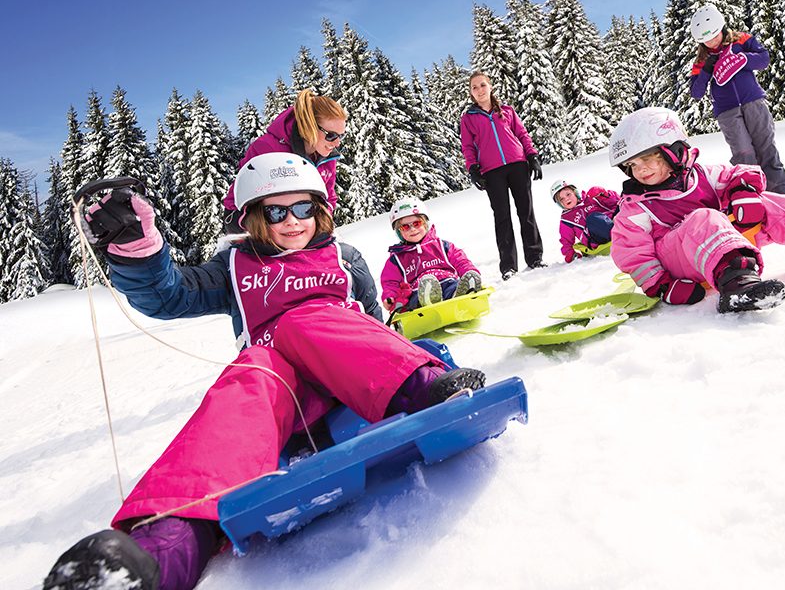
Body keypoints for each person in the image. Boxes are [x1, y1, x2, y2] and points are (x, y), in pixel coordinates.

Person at [44, 153, 486, 590]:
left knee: (302, 320)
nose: (293, 221)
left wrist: (408, 359)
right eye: (277, 211)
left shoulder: (343, 258)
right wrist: (137, 253)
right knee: (254, 365)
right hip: (281, 407)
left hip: (363, 385)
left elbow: (371, 323)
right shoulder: (235, 266)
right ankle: (164, 547)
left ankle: (427, 390)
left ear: (320, 209)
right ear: (255, 216)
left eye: (304, 208)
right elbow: (169, 296)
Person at [608, 106, 785, 313]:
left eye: (647, 158)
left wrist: (744, 191)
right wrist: (661, 286)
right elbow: (633, 253)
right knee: (704, 217)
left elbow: (739, 174)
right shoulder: (635, 207)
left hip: (725, 244)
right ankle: (737, 285)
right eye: (632, 164)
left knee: (765, 201)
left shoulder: (702, 175)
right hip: (680, 264)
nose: (640, 169)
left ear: (673, 151)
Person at [689, 2, 785, 194]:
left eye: (714, 36)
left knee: (766, 149)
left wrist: (744, 59)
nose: (711, 43)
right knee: (744, 155)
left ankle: (782, 197)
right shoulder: (702, 60)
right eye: (706, 40)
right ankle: (754, 198)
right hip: (727, 112)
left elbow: (764, 59)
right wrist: (706, 71)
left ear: (722, 27)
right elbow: (696, 92)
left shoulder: (741, 40)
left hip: (753, 102)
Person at [460, 71, 545, 280]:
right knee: (502, 218)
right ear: (471, 93)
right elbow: (468, 147)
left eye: (482, 85)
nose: (479, 90)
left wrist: (532, 156)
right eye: (475, 87)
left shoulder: (507, 111)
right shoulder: (468, 119)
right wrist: (473, 169)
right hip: (492, 172)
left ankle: (535, 258)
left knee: (526, 212)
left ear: (490, 87)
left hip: (518, 165)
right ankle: (508, 266)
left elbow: (522, 134)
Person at [222, 89, 346, 232]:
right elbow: (252, 203)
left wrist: (322, 225)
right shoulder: (267, 148)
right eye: (331, 136)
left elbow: (328, 197)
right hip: (245, 218)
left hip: (297, 218)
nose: (337, 143)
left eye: (340, 136)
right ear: (310, 126)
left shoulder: (326, 155)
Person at [380, 196, 482, 312]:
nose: (412, 229)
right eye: (405, 226)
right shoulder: (397, 259)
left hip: (446, 281)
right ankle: (428, 301)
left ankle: (461, 294)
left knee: (452, 285)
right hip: (417, 291)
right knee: (414, 298)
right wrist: (390, 296)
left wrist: (468, 272)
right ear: (399, 231)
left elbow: (461, 261)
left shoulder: (443, 246)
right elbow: (390, 282)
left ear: (425, 224)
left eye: (417, 223)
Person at [550, 180, 619, 263]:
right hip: (598, 235)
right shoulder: (566, 219)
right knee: (594, 218)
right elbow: (566, 241)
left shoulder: (590, 198)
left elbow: (615, 203)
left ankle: (625, 225)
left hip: (614, 221)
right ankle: (620, 230)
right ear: (559, 204)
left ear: (575, 192)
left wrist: (604, 195)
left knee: (627, 197)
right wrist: (570, 254)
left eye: (568, 194)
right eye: (561, 199)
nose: (566, 199)